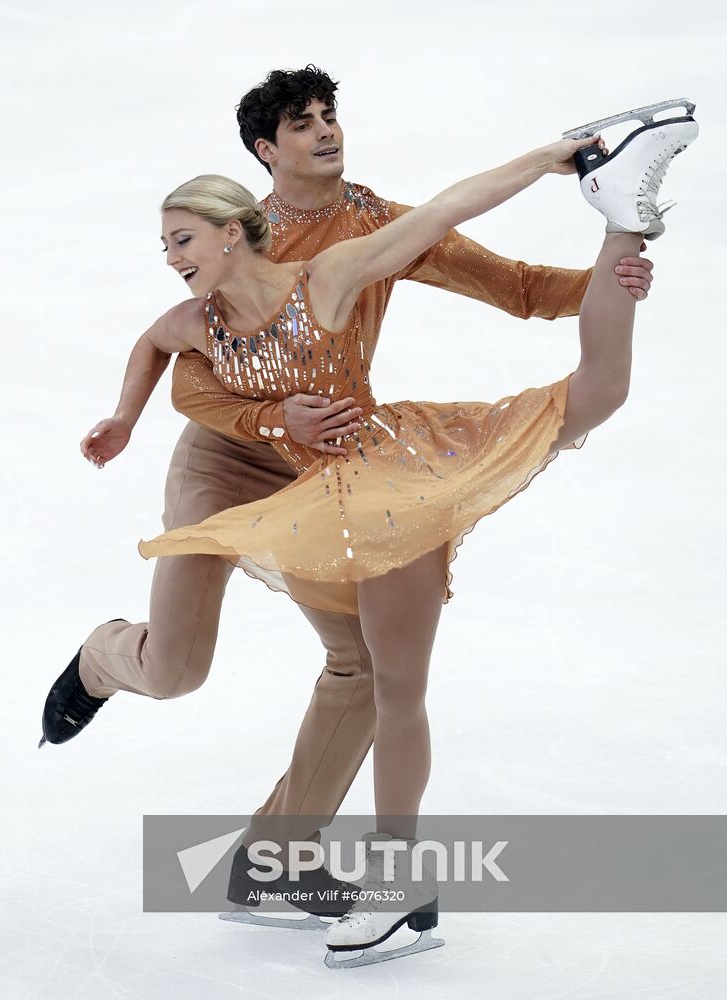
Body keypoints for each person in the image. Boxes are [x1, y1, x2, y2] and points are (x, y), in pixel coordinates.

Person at [40, 67, 654, 927]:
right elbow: (187, 385)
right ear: (266, 149)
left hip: (327, 463)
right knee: (177, 671)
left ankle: (272, 862)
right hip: (225, 464)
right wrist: (238, 416)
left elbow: (509, 281)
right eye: (303, 123)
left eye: (332, 116)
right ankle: (108, 656)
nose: (327, 132)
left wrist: (609, 287)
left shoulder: (363, 230)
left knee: (365, 666)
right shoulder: (220, 247)